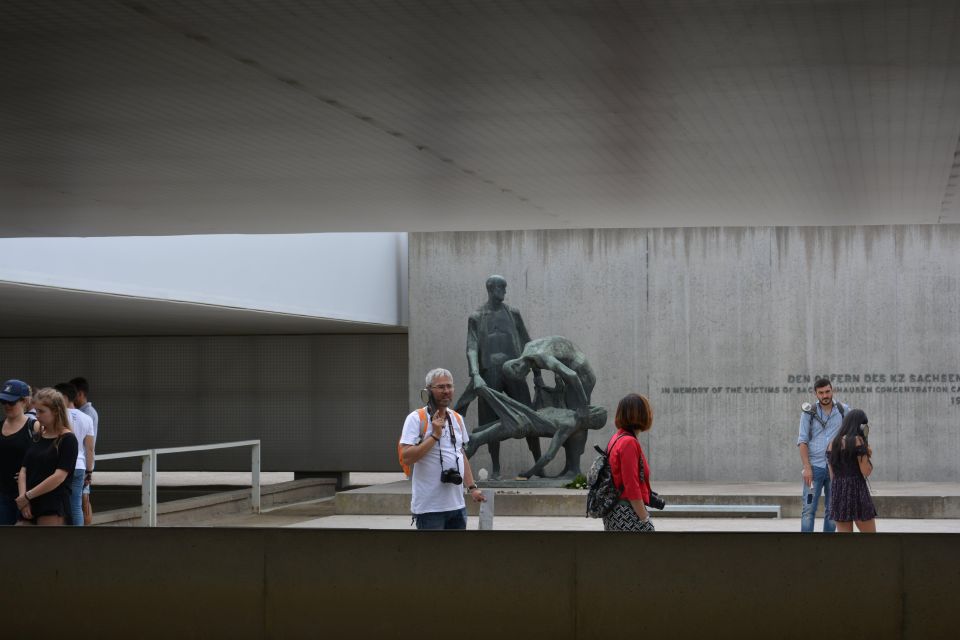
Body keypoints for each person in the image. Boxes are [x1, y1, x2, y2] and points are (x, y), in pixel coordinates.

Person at [453, 275, 541, 479]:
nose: (505, 291)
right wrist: (475, 374)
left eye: (505, 287)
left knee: (528, 415)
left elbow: (529, 343)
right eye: (502, 287)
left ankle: (539, 465)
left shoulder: (513, 313)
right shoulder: (477, 316)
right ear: (491, 288)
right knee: (490, 422)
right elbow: (472, 347)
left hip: (513, 370)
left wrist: (536, 373)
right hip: (488, 372)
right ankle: (496, 469)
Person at [399, 368, 485, 529]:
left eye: (449, 386)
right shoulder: (416, 419)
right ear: (428, 391)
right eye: (440, 387)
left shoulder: (457, 418)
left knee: (456, 554)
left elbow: (460, 454)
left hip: (457, 507)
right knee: (433, 554)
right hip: (430, 510)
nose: (446, 391)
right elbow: (406, 457)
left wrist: (472, 488)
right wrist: (435, 436)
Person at [463, 385, 608, 479]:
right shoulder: (570, 413)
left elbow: (549, 455)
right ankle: (459, 468)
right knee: (477, 435)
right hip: (523, 415)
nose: (587, 407)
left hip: (521, 424)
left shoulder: (569, 425)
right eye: (591, 407)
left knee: (477, 439)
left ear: (590, 420)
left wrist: (528, 474)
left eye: (591, 411)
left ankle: (459, 472)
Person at [502, 335, 597, 477]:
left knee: (575, 418)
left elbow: (572, 375)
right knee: (568, 416)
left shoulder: (541, 356)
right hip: (573, 369)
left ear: (516, 365)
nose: (523, 376)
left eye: (520, 374)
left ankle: (574, 468)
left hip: (581, 374)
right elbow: (536, 365)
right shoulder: (528, 350)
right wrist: (537, 378)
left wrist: (583, 405)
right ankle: (569, 467)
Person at [15, 388, 78, 526]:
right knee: (18, 543)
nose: (37, 415)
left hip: (52, 504)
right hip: (29, 502)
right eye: (36, 411)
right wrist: (23, 500)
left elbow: (59, 476)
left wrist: (27, 496)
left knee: (47, 545)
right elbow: (24, 470)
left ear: (56, 411)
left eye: (42, 411)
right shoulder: (37, 436)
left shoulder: (68, 439)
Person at [797, 378, 848, 533]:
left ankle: (828, 549)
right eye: (821, 393)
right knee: (808, 509)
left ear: (832, 390)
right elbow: (802, 441)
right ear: (816, 394)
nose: (825, 395)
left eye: (827, 391)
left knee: (832, 511)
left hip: (837, 469)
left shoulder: (843, 410)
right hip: (814, 469)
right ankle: (805, 549)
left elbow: (855, 433)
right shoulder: (808, 413)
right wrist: (807, 468)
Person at [603, 393, 655, 532]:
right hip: (626, 511)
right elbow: (631, 485)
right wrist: (645, 519)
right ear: (643, 414)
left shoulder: (617, 438)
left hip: (614, 511)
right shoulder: (628, 442)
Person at [827, 409, 877, 533]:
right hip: (857, 491)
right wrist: (867, 453)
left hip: (838, 491)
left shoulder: (832, 444)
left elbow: (832, 475)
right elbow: (866, 471)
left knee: (845, 544)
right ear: (860, 425)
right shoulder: (858, 441)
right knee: (871, 540)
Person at [54, 382, 95, 526]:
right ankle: (77, 537)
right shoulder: (87, 418)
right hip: (80, 466)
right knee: (76, 506)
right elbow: (90, 448)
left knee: (58, 503)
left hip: (61, 466)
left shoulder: (57, 416)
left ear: (64, 397)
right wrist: (89, 471)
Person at [0, 380, 38, 525]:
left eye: (11, 402)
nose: (7, 406)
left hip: (27, 493)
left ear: (24, 401)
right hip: (3, 493)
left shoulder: (34, 427)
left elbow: (46, 458)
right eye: (4, 402)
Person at [69, 377, 98, 524]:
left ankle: (86, 529)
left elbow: (89, 445)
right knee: (79, 500)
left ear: (80, 393)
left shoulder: (88, 413)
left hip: (84, 462)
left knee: (83, 499)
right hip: (84, 463)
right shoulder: (84, 412)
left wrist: (89, 469)